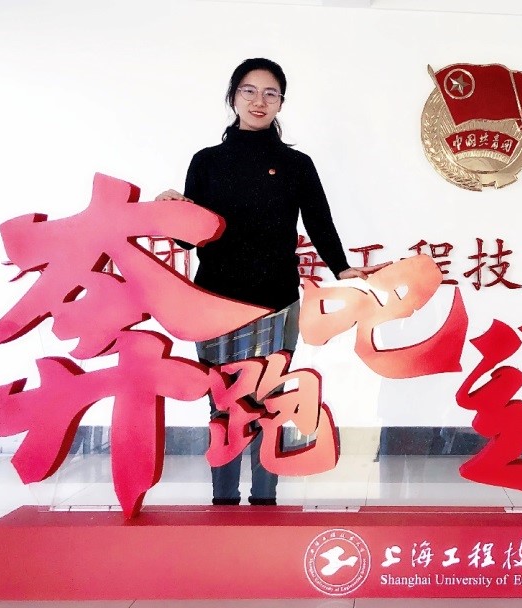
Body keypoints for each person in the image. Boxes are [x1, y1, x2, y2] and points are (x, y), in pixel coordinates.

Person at [156, 57, 386, 506]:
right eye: (249, 91)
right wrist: (173, 211)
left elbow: (319, 221)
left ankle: (265, 500)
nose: (259, 101)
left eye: (270, 93)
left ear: (281, 102)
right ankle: (223, 501)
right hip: (214, 301)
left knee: (268, 400)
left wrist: (341, 267)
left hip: (276, 300)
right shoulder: (207, 161)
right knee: (223, 402)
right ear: (233, 97)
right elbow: (189, 239)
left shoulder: (295, 164)